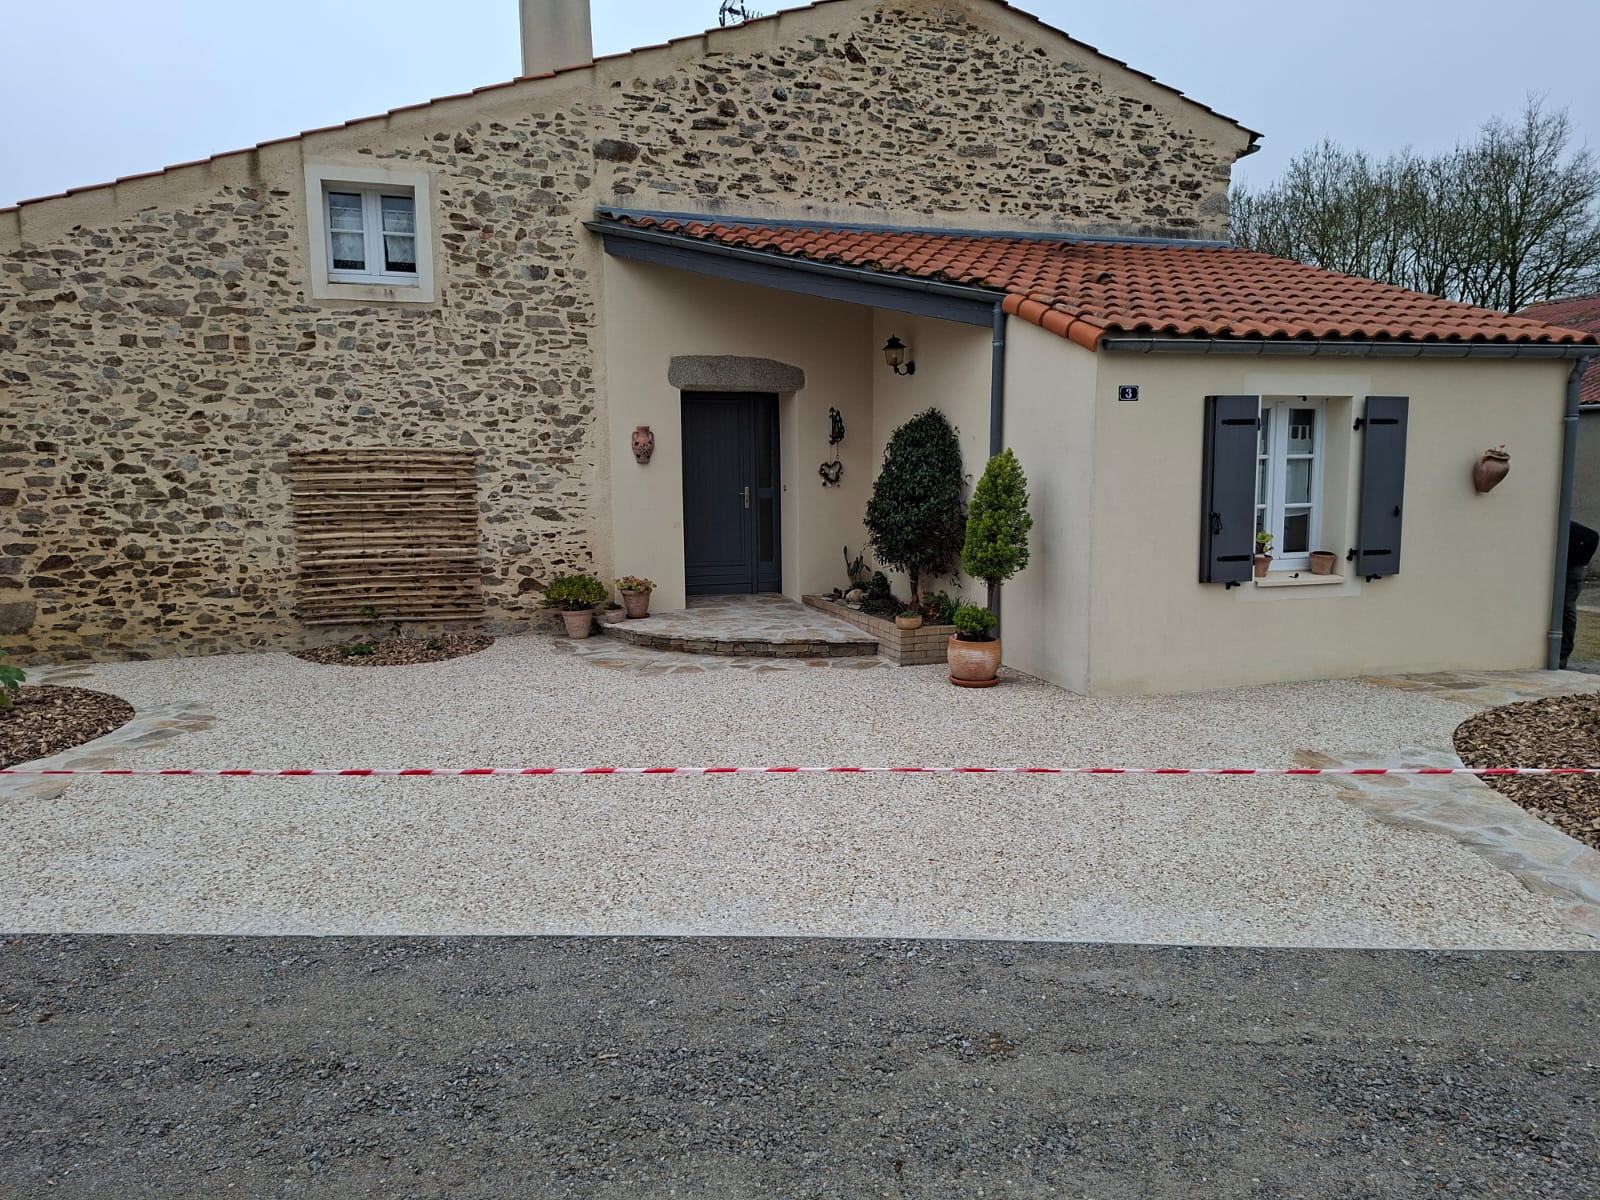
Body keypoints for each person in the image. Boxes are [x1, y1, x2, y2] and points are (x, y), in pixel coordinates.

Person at [1560, 520, 1598, 669]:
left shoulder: (1566, 524)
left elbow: (1593, 536)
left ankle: (1563, 654)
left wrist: (1578, 561)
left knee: (1566, 608)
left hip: (1572, 570)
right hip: (1563, 567)